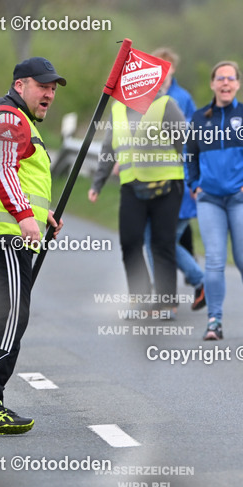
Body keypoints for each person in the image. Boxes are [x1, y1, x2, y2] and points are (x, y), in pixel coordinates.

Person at [0, 57, 65, 435]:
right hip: (0, 236)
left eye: (53, 88)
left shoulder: (15, 119)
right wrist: (24, 218)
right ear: (20, 85)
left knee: (4, 318)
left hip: (1, 234)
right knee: (10, 318)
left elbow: (17, 177)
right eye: (43, 86)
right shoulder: (7, 118)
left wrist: (42, 215)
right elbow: (4, 170)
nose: (50, 94)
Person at [185, 61, 243, 341]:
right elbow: (190, 156)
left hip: (241, 199)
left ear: (237, 84)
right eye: (220, 78)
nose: (225, 83)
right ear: (212, 84)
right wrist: (194, 185)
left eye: (230, 79)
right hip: (209, 199)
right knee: (213, 261)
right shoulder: (199, 118)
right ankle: (214, 322)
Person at [89, 74, 186, 317]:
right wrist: (97, 183)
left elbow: (185, 143)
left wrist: (195, 181)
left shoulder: (166, 105)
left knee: (161, 244)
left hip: (167, 185)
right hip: (131, 185)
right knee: (130, 242)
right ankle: (140, 300)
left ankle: (167, 304)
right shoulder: (118, 108)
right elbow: (109, 147)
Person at [143, 48, 205, 311]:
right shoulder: (144, 97)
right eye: (157, 66)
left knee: (159, 242)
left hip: (177, 184)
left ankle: (194, 283)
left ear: (174, 69)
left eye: (167, 67)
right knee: (158, 241)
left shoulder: (182, 99)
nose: (162, 72)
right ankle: (171, 294)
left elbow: (189, 141)